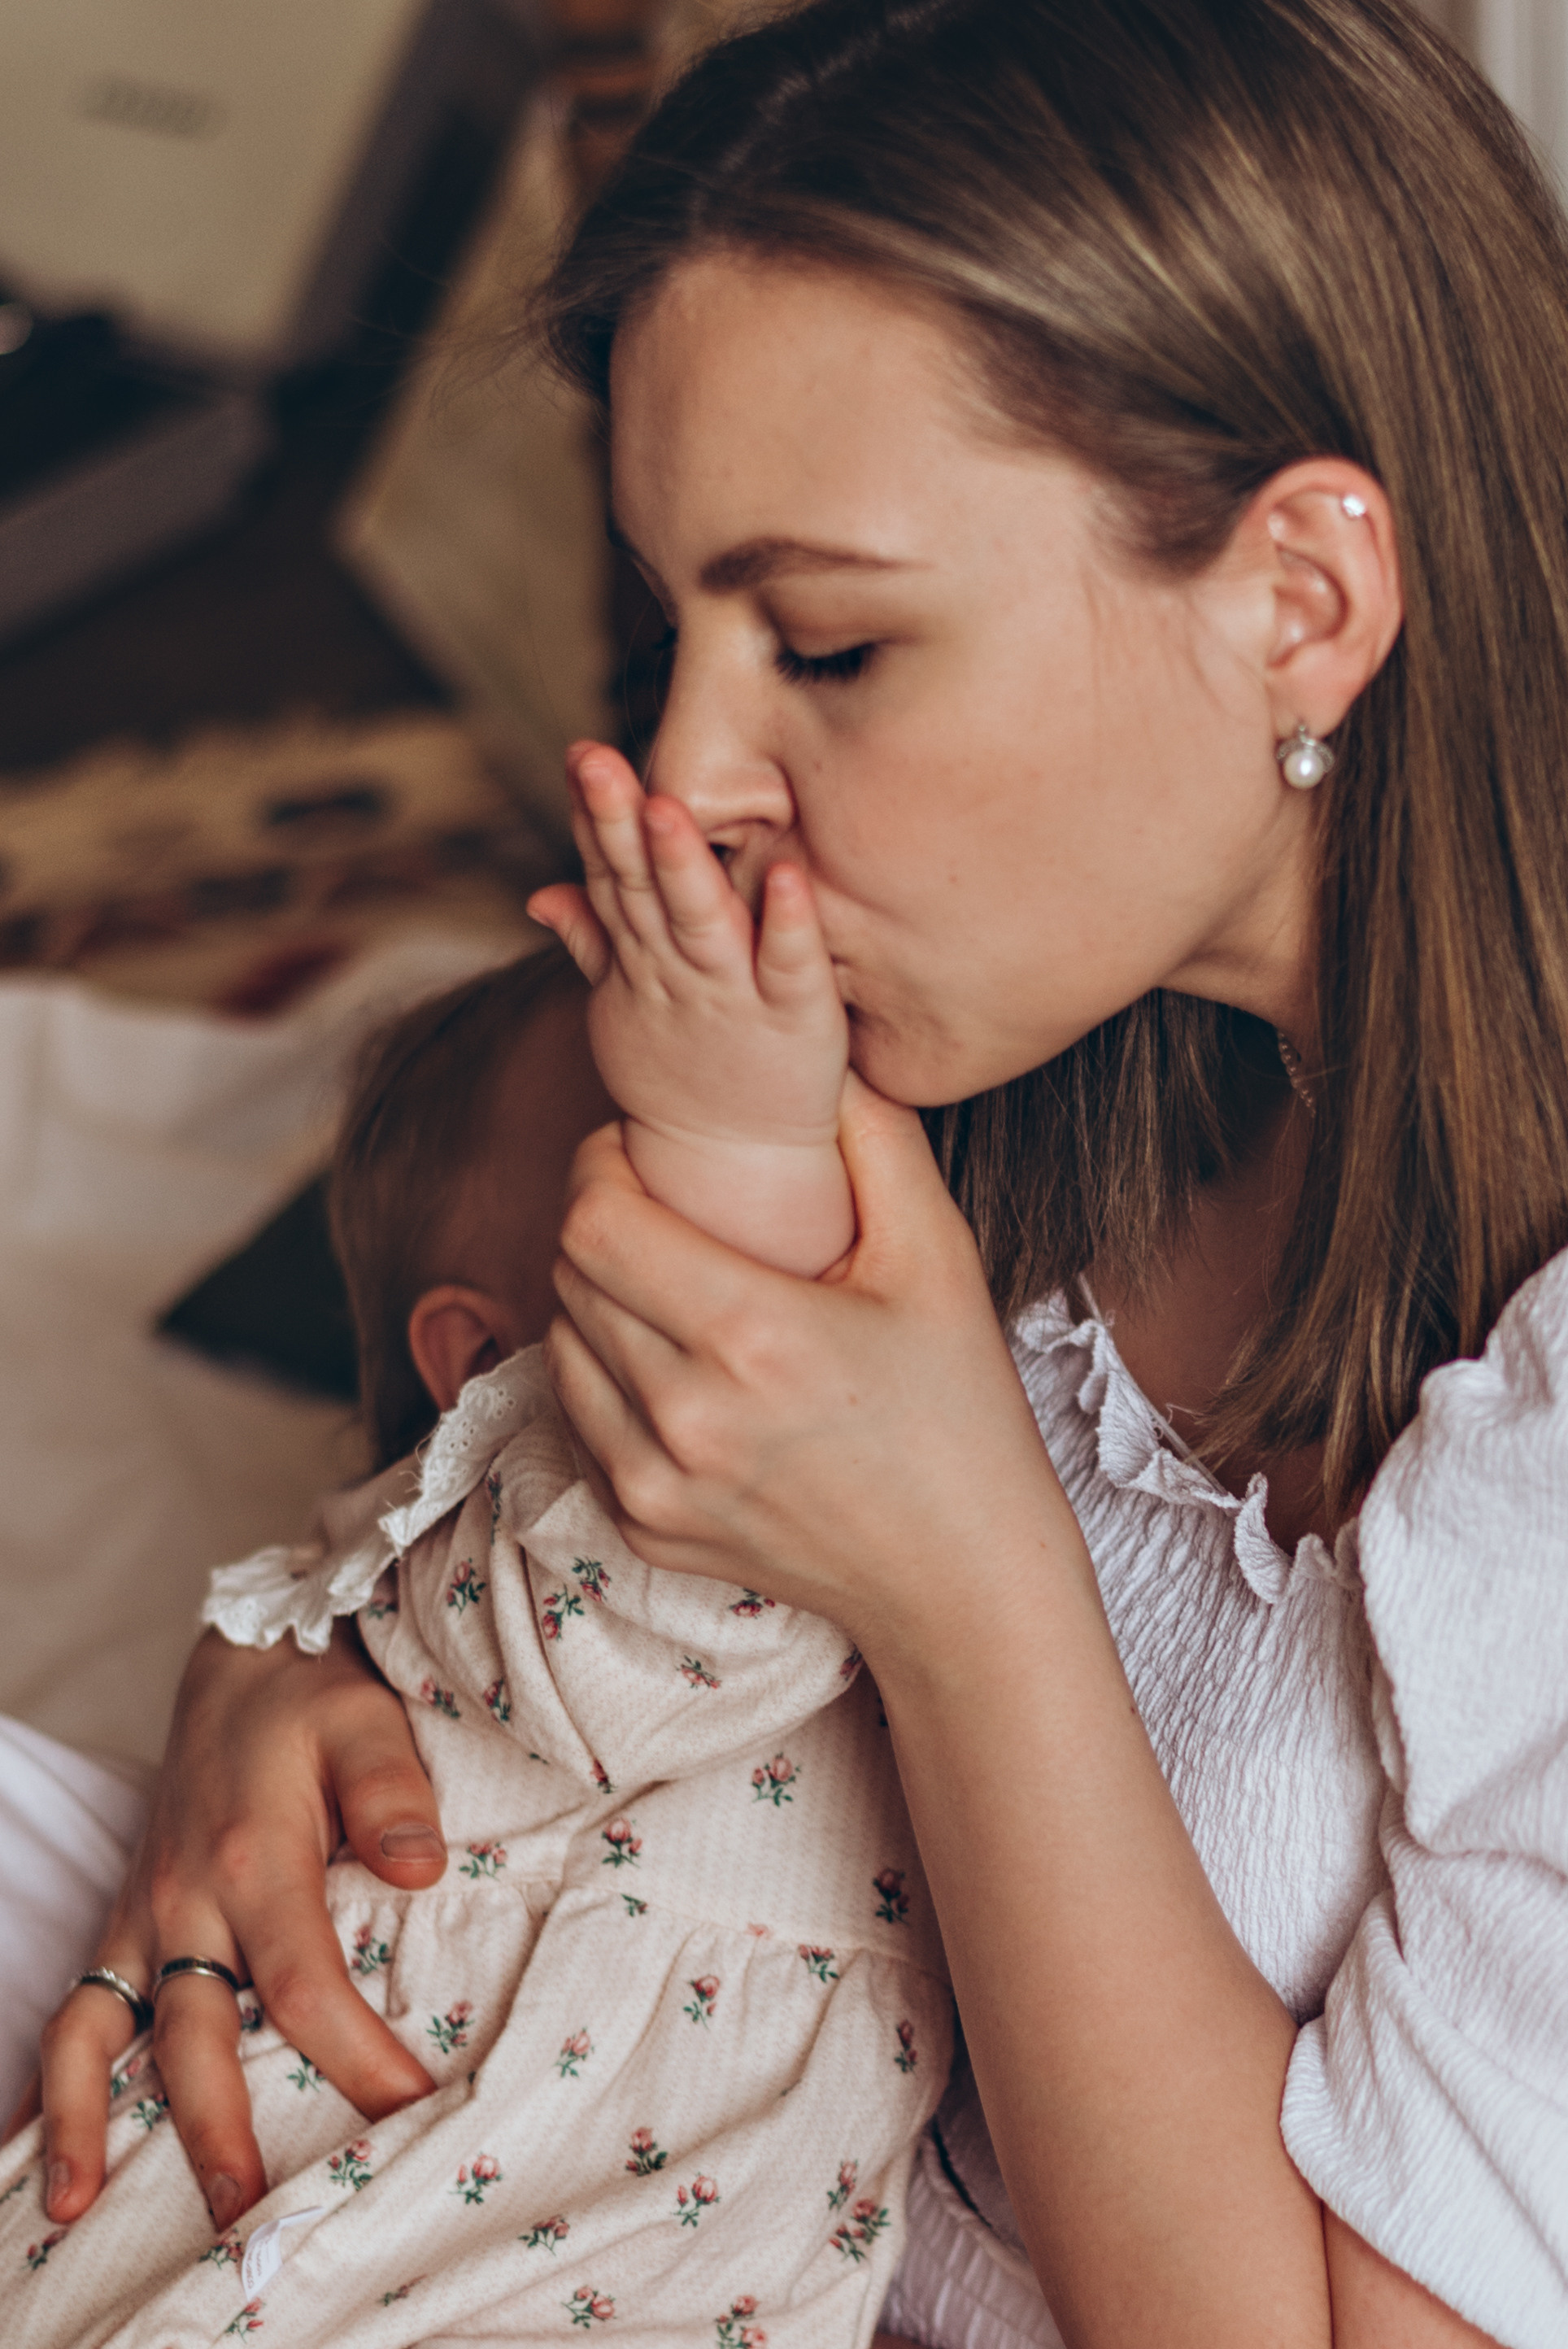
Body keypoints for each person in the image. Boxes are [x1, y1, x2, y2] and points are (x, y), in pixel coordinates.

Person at [14, 1, 1568, 2342]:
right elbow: (514, 1496)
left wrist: (958, 1560)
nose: (684, 768)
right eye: (676, 629)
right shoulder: (972, 1043)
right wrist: (295, 1676)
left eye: (830, 646)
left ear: (1303, 605)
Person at [0, 889, 947, 2343]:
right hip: (316, 2222)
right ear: (489, 1370)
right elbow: (691, 1605)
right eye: (675, 1144)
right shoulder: (597, 1563)